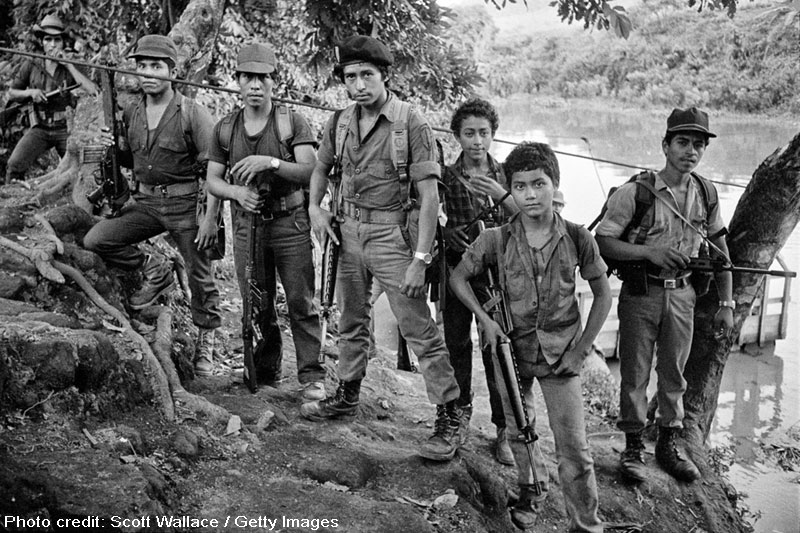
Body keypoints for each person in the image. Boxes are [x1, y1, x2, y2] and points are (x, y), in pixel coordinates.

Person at [301, 35, 462, 462]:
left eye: (366, 75)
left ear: (384, 76)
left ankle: (448, 415)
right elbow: (320, 169)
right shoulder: (339, 121)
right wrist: (315, 209)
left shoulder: (412, 123)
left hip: (394, 237)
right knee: (351, 320)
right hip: (349, 233)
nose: (358, 85)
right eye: (350, 77)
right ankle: (347, 393)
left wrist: (420, 260)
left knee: (419, 329)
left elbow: (430, 198)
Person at [449, 141, 610, 532]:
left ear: (554, 186)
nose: (530, 194)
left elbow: (603, 293)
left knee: (574, 448)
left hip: (561, 356)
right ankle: (531, 493)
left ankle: (586, 523)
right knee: (521, 431)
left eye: (538, 184)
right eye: (519, 186)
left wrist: (582, 349)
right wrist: (485, 322)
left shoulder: (576, 237)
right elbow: (458, 277)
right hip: (511, 351)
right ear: (511, 189)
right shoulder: (496, 238)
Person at [595, 107, 734, 483]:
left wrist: (726, 303)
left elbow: (721, 250)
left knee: (675, 372)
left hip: (684, 293)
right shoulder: (635, 193)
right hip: (643, 293)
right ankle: (633, 447)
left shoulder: (706, 192)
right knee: (635, 372)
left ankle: (669, 444)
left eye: (698, 145)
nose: (691, 151)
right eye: (683, 142)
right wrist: (648, 252)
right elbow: (603, 242)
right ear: (666, 145)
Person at [83, 35, 222, 376]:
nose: (148, 73)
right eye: (142, 66)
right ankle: (154, 264)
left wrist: (210, 218)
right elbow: (133, 160)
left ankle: (207, 341)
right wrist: (111, 147)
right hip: (146, 203)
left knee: (200, 276)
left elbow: (216, 168)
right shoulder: (132, 111)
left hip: (186, 204)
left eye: (156, 66)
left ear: (172, 72)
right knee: (96, 240)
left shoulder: (193, 113)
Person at [205, 43, 326, 400]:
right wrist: (237, 194)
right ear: (238, 82)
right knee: (257, 300)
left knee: (301, 301)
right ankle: (265, 367)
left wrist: (269, 162)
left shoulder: (290, 122)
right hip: (248, 224)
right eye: (248, 77)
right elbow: (213, 179)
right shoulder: (226, 128)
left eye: (263, 78)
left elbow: (311, 171)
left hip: (290, 222)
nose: (255, 85)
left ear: (274, 82)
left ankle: (311, 375)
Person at [441, 98, 517, 465]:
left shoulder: (507, 177)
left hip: (496, 277)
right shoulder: (446, 176)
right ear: (457, 135)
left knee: (497, 349)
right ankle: (458, 415)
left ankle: (504, 428)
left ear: (493, 135)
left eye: (483, 133)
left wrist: (500, 196)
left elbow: (524, 222)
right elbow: (430, 216)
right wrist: (448, 233)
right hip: (456, 271)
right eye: (469, 133)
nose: (476, 141)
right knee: (456, 343)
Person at [4, 14, 98, 183]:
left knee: (80, 168)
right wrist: (31, 93)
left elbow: (93, 91)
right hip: (40, 127)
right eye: (48, 40)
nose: (53, 45)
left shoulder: (72, 64)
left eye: (57, 40)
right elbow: (12, 93)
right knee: (14, 164)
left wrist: (68, 65)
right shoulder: (32, 64)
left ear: (63, 42)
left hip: (66, 129)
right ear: (42, 42)